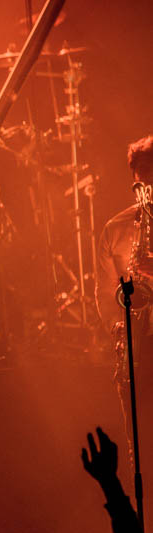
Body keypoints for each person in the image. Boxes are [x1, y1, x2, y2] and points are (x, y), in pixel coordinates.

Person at [95, 134, 153, 478]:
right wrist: (118, 333)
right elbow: (105, 292)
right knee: (140, 443)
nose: (148, 185)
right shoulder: (116, 228)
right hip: (136, 343)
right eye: (142, 177)